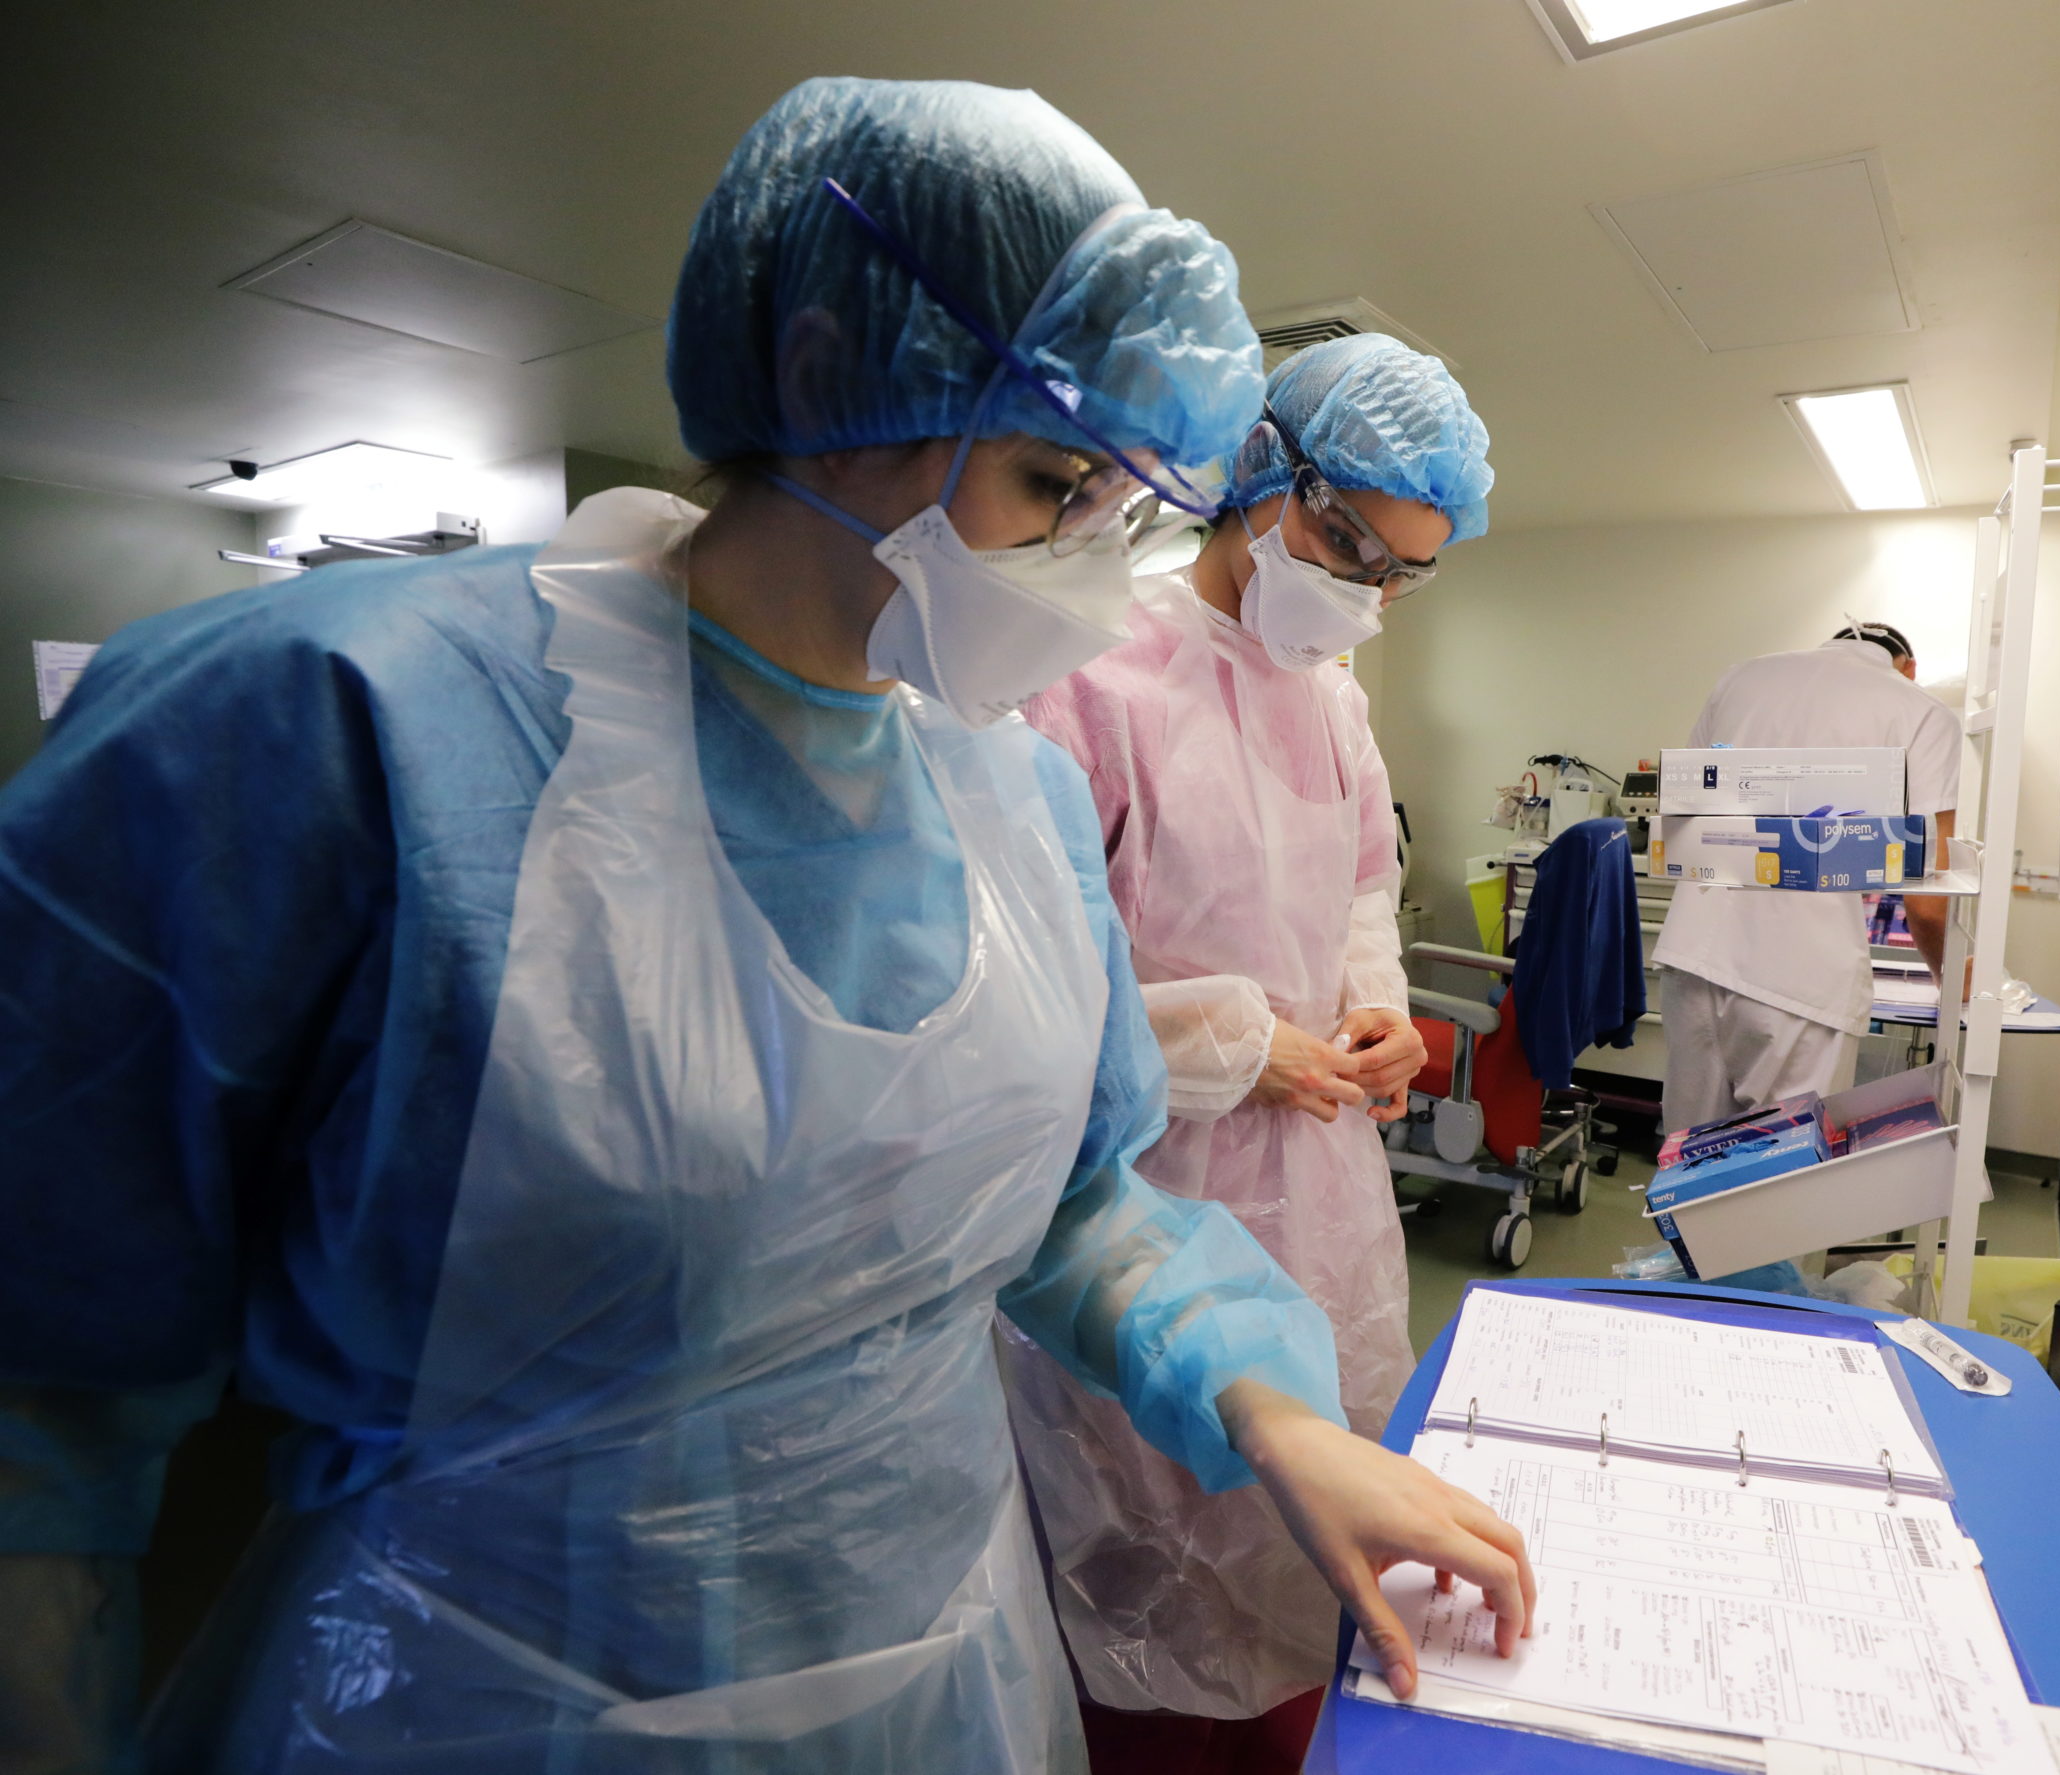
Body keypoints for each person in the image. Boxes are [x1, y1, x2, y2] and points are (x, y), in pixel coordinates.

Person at [0, 79, 1531, 1772]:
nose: (1092, 566)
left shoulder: (1000, 801)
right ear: (821, 372)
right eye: (1047, 483)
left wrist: (1270, 1411)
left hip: (952, 1687)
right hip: (462, 1704)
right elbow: (42, 1402)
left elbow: (1074, 1206)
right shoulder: (325, 724)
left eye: (1117, 506)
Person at [1006, 332, 1491, 1770]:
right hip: (1132, 1208)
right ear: (1257, 471)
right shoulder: (1090, 676)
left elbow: (1356, 887)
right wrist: (1227, 1044)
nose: (1368, 594)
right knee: (1145, 1559)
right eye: (1351, 546)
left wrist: (1377, 1005)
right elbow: (1029, 998)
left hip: (1321, 1193)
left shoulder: (1336, 701)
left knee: (1306, 1538)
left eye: (1405, 572)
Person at [1652, 621, 1961, 1133]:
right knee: (1786, 1175)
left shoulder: (1739, 679)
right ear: (1909, 667)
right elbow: (1927, 902)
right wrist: (1948, 976)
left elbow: (1691, 807)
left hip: (1693, 957)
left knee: (1689, 1162)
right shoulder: (1922, 710)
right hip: (1800, 980)